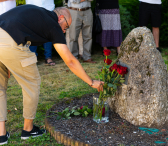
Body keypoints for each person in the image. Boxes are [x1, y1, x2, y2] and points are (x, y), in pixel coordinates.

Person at [0, 5, 103, 145]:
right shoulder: (53, 24)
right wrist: (91, 82)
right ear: (61, 18)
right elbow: (70, 61)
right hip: (11, 43)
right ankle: (28, 130)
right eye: (66, 26)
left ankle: (1, 135)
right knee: (32, 83)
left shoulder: (38, 13)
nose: (65, 30)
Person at [26, 0, 56, 66]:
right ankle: (33, 58)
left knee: (48, 34)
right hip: (31, 9)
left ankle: (48, 57)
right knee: (32, 34)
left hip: (48, 8)